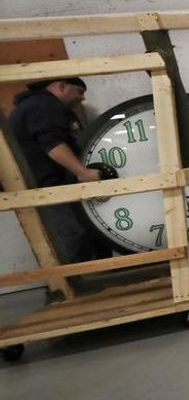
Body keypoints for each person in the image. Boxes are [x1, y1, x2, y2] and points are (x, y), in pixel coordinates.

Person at [8, 77, 110, 263]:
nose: (82, 99)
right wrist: (83, 172)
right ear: (61, 87)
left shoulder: (39, 105)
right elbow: (52, 143)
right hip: (43, 186)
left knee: (84, 233)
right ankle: (77, 286)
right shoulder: (44, 105)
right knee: (72, 235)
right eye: (79, 92)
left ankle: (89, 280)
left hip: (48, 185)